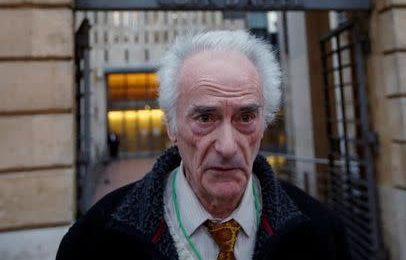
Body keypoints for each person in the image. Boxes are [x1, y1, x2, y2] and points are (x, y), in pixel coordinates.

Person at [56, 30, 351, 260]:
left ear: (265, 124)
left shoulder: (323, 234)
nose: (227, 146)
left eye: (246, 116)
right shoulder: (94, 242)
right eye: (206, 117)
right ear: (172, 126)